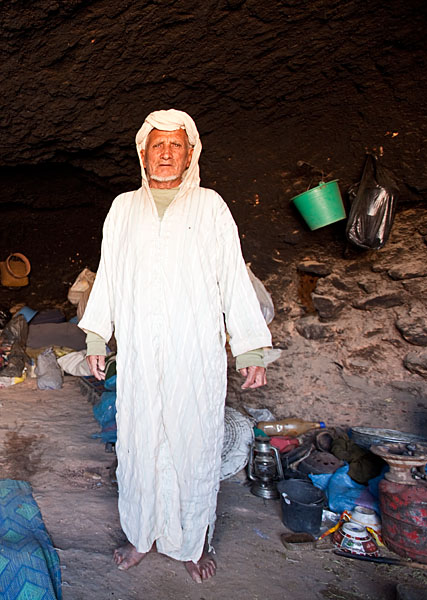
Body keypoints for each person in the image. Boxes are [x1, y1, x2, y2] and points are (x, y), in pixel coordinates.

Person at [78, 109, 272, 583]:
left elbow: (232, 276)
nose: (166, 154)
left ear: (190, 155)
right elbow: (109, 274)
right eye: (157, 145)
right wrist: (97, 333)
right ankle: (141, 536)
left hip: (195, 348)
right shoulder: (124, 208)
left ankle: (191, 541)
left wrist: (249, 348)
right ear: (143, 154)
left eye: (176, 146)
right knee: (140, 441)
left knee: (194, 441)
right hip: (143, 347)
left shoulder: (210, 207)